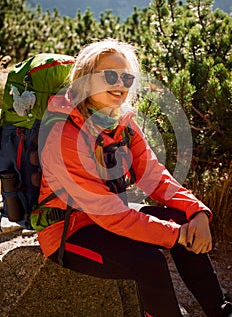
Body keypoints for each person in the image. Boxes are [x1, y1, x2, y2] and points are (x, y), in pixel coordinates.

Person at [37, 38, 232, 317]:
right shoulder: (64, 135)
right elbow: (108, 214)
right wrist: (176, 235)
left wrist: (196, 211)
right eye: (110, 76)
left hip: (108, 216)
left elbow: (154, 176)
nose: (120, 84)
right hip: (69, 231)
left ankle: (221, 311)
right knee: (148, 260)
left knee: (181, 219)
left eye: (126, 77)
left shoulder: (122, 122)